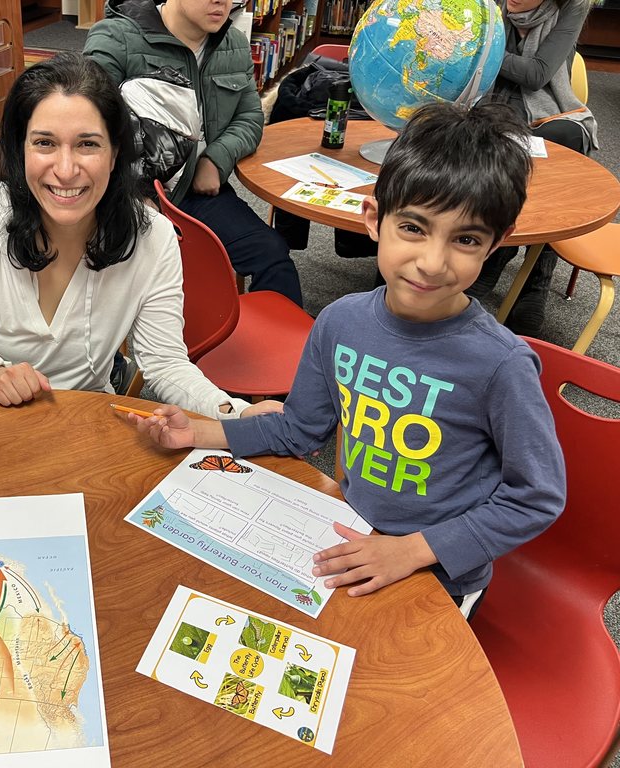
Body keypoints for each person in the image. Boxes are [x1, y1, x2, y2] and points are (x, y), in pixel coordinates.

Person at [128, 102, 566, 619]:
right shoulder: (340, 322)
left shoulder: (501, 364)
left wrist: (412, 550)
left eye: (465, 239)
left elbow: (536, 496)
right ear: (374, 219)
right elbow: (299, 428)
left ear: (496, 245)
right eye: (414, 228)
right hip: (352, 539)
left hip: (441, 577)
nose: (432, 262)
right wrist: (202, 432)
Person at [0, 52, 269, 421]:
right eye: (45, 143)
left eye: (88, 144)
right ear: (21, 150)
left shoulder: (153, 238)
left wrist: (237, 414)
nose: (66, 170)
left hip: (76, 414)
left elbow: (165, 363)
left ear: (115, 154)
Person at [83, 0, 303, 305]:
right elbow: (88, 130)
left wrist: (216, 159)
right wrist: (135, 192)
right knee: (129, 281)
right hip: (124, 195)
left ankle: (280, 338)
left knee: (273, 256)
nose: (221, 2)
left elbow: (249, 116)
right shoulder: (116, 38)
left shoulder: (233, 43)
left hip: (195, 193)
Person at [469, 0, 598, 336]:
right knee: (484, 136)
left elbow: (537, 75)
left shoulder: (573, 8)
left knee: (566, 140)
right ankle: (498, 255)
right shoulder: (490, 4)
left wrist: (482, 51)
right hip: (491, 104)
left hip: (547, 112)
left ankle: (534, 280)